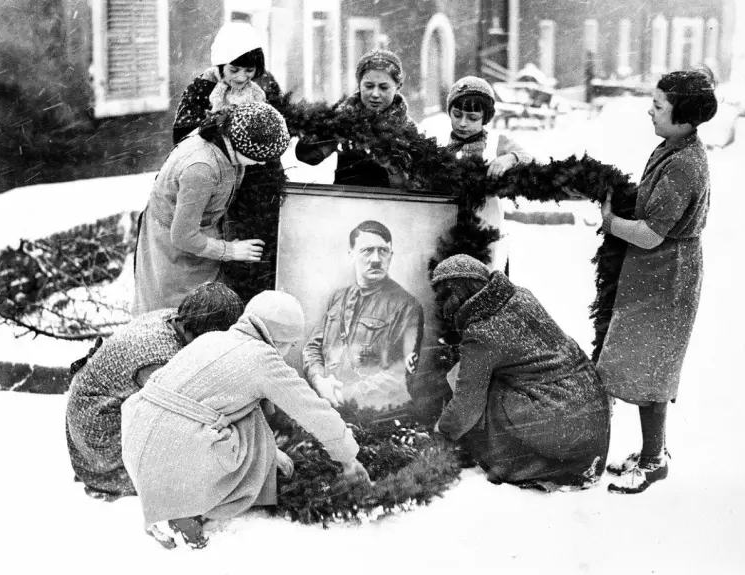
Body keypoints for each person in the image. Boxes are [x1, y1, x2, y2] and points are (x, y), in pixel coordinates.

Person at [121, 291, 371, 549]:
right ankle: (191, 509)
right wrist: (348, 458)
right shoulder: (263, 358)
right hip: (180, 449)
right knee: (252, 417)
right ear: (281, 339)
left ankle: (170, 500)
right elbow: (314, 412)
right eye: (291, 344)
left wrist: (272, 453)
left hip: (138, 441)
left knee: (235, 408)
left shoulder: (213, 338)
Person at [597, 69, 718, 494]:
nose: (650, 109)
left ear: (683, 115)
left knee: (651, 367)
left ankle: (653, 461)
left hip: (667, 272)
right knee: (646, 363)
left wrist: (611, 223)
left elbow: (651, 232)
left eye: (659, 104)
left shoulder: (685, 165)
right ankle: (655, 452)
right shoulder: (672, 147)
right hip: (654, 270)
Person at [430, 254, 611, 489]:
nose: (443, 308)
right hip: (590, 419)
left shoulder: (481, 334)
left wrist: (441, 433)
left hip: (558, 424)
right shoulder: (520, 296)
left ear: (457, 292)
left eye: (444, 297)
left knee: (465, 380)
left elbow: (467, 405)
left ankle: (516, 461)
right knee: (477, 377)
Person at [65, 282, 244, 501]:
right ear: (199, 332)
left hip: (91, 408)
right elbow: (183, 418)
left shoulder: (174, 318)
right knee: (193, 456)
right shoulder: (159, 362)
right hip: (99, 435)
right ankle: (115, 481)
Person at [133, 102, 290, 316]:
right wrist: (231, 251)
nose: (262, 164)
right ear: (240, 146)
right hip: (172, 250)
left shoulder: (225, 138)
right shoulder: (201, 169)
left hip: (199, 236)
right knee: (178, 314)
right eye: (259, 158)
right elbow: (183, 236)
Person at [302, 220, 424, 411]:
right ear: (351, 255)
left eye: (383, 251)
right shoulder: (338, 298)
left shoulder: (406, 306)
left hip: (376, 416)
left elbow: (400, 374)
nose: (376, 259)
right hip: (329, 407)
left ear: (391, 256)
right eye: (367, 250)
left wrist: (341, 395)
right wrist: (318, 381)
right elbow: (312, 347)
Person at [439, 76, 532, 272]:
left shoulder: (496, 142)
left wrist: (510, 158)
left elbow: (530, 159)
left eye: (472, 118)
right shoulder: (440, 142)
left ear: (486, 118)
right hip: (444, 232)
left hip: (485, 236)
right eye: (457, 115)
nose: (463, 123)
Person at [294, 49, 417, 188]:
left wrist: (391, 166)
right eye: (369, 86)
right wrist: (324, 138)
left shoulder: (406, 128)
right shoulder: (343, 119)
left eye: (383, 87)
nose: (375, 94)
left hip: (388, 206)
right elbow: (306, 156)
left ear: (398, 86)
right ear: (359, 84)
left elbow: (413, 187)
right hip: (344, 202)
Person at [172, 21, 282, 146]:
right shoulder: (203, 87)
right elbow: (182, 136)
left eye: (249, 70)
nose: (241, 78)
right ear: (220, 65)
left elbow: (280, 122)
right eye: (233, 70)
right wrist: (211, 127)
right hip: (217, 160)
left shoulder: (263, 82)